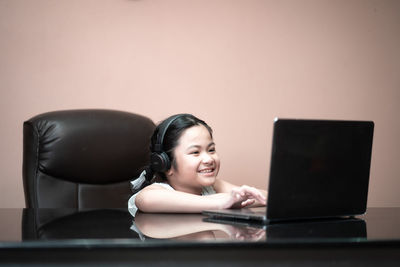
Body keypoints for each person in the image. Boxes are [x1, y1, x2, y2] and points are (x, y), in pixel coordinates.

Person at [128, 114, 267, 216]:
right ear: (165, 163)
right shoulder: (157, 192)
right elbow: (145, 199)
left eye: (211, 150)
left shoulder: (211, 187)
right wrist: (221, 202)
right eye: (195, 152)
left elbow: (264, 197)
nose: (208, 159)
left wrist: (247, 196)